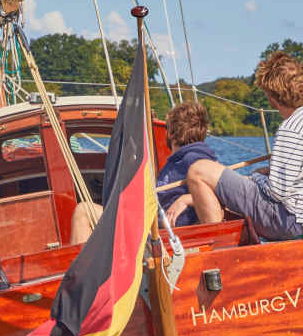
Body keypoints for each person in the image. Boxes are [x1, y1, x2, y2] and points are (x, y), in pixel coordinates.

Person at [182, 51, 303, 241]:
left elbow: (277, 192)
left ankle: (219, 249)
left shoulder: (290, 129)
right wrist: (269, 172)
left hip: (284, 220)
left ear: (272, 95)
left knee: (198, 171)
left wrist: (256, 177)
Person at [70, 101, 217, 244]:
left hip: (159, 232)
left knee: (83, 212)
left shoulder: (195, 158)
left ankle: (78, 268)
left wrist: (186, 199)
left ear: (171, 133)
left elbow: (217, 196)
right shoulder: (179, 160)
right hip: (151, 223)